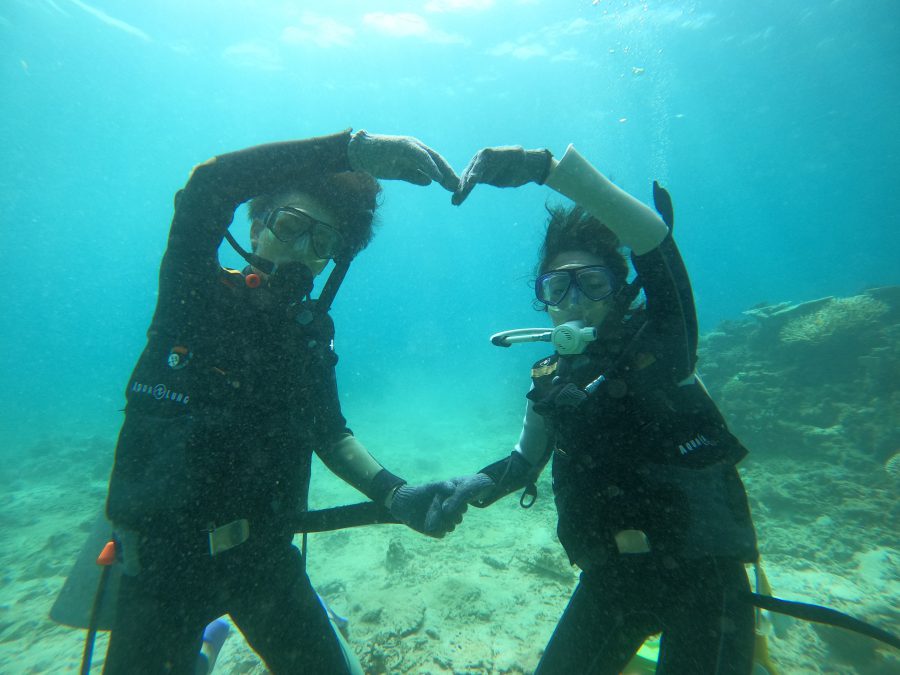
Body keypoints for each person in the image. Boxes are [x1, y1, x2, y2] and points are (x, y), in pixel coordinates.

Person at [101, 129, 468, 674]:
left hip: (263, 558)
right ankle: (207, 646)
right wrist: (350, 150)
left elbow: (331, 436)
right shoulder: (192, 295)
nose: (300, 251)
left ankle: (217, 640)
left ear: (330, 260)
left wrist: (396, 494)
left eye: (320, 243)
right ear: (256, 228)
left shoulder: (309, 336)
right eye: (290, 227)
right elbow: (209, 185)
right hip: (159, 571)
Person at [444, 144, 760, 674]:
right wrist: (474, 484)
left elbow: (655, 241)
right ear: (543, 298)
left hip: (705, 579)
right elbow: (523, 460)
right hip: (611, 578)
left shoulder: (664, 345)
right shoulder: (549, 378)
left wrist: (549, 170)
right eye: (557, 287)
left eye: (592, 283)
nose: (574, 300)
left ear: (619, 290)